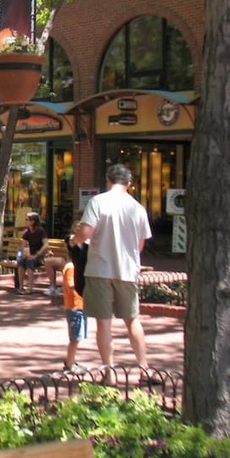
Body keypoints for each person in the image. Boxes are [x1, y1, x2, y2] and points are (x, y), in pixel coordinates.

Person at [74, 163, 156, 385]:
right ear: (129, 184)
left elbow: (86, 232)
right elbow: (140, 246)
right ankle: (144, 369)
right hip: (127, 270)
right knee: (132, 320)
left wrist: (75, 240)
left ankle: (109, 373)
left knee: (104, 322)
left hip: (100, 268)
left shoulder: (98, 202)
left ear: (108, 181)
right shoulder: (138, 208)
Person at [60, 234, 89, 374]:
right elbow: (71, 284)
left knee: (77, 336)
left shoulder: (71, 266)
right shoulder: (71, 267)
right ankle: (70, 364)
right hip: (74, 306)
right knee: (75, 337)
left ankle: (71, 360)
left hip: (80, 306)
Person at [15, 212, 47, 294]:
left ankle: (30, 288)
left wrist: (36, 255)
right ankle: (21, 287)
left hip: (39, 256)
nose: (25, 221)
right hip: (29, 254)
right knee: (21, 262)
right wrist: (24, 254)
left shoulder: (41, 231)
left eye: (27, 219)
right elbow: (23, 246)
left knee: (29, 262)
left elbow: (46, 245)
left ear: (33, 221)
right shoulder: (27, 232)